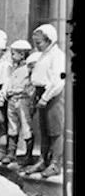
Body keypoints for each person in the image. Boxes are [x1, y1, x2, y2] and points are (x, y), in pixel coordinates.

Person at [23, 23, 66, 178]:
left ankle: (55, 163)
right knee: (44, 130)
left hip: (52, 95)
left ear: (49, 40)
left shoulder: (58, 56)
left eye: (39, 42)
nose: (37, 46)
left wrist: (46, 97)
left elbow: (59, 81)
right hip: (41, 93)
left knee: (55, 130)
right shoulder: (43, 55)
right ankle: (43, 160)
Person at [0, 39, 35, 168]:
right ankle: (11, 152)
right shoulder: (13, 68)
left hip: (23, 99)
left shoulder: (29, 68)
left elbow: (31, 85)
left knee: (26, 125)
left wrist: (30, 98)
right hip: (12, 99)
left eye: (14, 54)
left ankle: (28, 155)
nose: (11, 57)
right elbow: (8, 83)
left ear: (22, 55)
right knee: (12, 126)